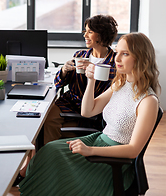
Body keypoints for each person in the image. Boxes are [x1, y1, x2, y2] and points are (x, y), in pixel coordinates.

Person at [18, 32, 160, 195]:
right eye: (117, 51)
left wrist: (90, 150)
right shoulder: (120, 85)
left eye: (125, 54)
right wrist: (91, 80)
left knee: (53, 161)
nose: (117, 58)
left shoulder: (148, 101)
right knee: (48, 151)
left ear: (141, 58)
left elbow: (133, 150)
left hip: (113, 161)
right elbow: (88, 111)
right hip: (98, 140)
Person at [14, 15, 118, 183]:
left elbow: (113, 84)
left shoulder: (115, 62)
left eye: (90, 32)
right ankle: (39, 168)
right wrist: (64, 70)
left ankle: (35, 170)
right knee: (41, 121)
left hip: (95, 111)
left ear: (101, 34)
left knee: (47, 130)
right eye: (85, 31)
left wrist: (93, 69)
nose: (84, 35)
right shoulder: (80, 55)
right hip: (69, 103)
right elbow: (59, 83)